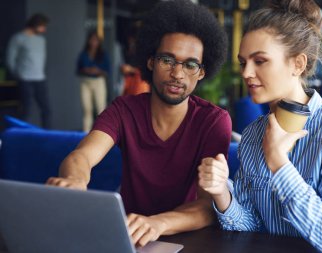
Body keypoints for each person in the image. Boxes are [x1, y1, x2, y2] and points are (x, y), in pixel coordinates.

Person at [198, 0, 322, 252]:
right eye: (243, 62)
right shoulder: (252, 136)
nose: (246, 72)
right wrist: (221, 194)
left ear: (298, 64)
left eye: (260, 61)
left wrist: (278, 163)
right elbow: (251, 228)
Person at [47, 0, 230, 248]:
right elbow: (81, 156)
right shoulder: (124, 110)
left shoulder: (213, 121)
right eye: (168, 60)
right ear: (151, 61)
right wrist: (76, 180)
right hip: (127, 237)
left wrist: (157, 223)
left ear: (202, 72)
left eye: (190, 64)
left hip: (187, 238)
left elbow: (208, 206)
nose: (178, 74)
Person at [6, 13, 52, 128]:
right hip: (25, 79)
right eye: (42, 26)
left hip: (40, 79)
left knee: (46, 109)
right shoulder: (18, 38)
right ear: (35, 24)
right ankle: (21, 135)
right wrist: (18, 74)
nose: (44, 29)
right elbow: (10, 59)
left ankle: (48, 135)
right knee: (26, 110)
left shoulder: (41, 40)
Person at [76, 31, 111, 132]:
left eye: (96, 40)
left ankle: (103, 133)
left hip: (98, 81)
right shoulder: (83, 54)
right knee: (87, 109)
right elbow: (78, 70)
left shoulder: (103, 54)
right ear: (88, 41)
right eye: (92, 40)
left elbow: (107, 71)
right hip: (85, 81)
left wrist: (98, 71)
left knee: (101, 109)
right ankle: (85, 134)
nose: (94, 42)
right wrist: (86, 70)